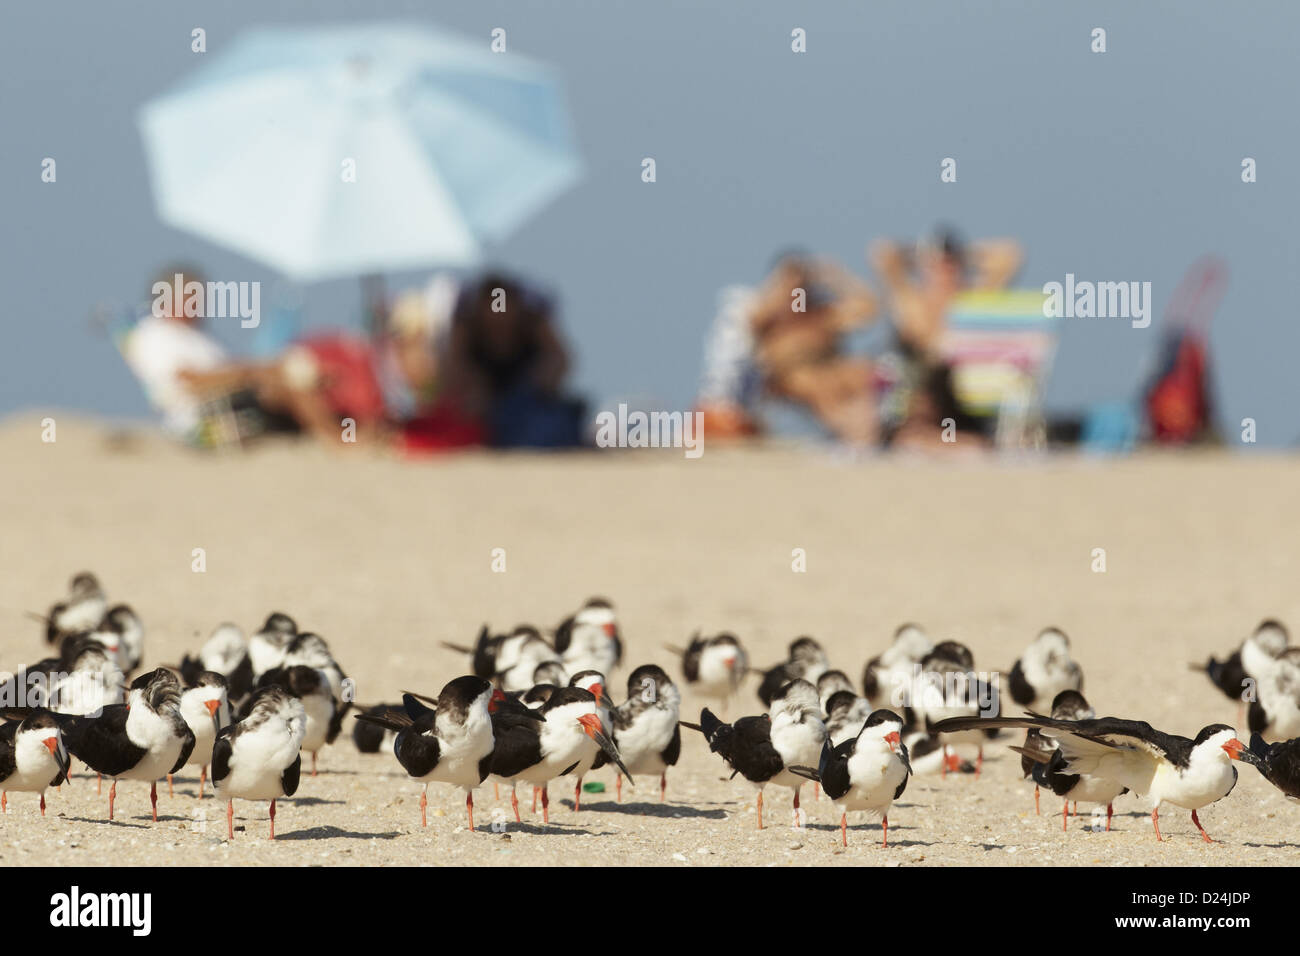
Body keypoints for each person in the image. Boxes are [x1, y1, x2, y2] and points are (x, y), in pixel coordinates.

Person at [123, 267, 382, 446]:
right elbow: (187, 380)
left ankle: (361, 427)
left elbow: (231, 369)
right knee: (290, 382)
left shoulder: (196, 337)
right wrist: (248, 374)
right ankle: (340, 441)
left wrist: (260, 370)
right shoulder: (155, 335)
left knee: (302, 370)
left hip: (232, 394)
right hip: (205, 412)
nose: (199, 303)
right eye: (191, 296)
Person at [696, 252, 880, 446]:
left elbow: (868, 309)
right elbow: (750, 321)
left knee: (868, 373)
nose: (797, 290)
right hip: (789, 378)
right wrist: (783, 284)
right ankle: (852, 434)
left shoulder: (820, 314)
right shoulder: (769, 314)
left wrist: (837, 276)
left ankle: (869, 432)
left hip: (830, 369)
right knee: (818, 386)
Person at [868, 227, 1022, 448]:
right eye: (935, 264)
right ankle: (958, 444)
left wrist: (963, 253)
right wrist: (921, 253)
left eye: (949, 263)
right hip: (919, 397)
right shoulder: (911, 303)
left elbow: (1010, 255)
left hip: (960, 399)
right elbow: (882, 253)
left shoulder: (973, 300)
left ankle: (959, 444)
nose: (942, 270)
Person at [439, 272, 584, 448]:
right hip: (482, 413)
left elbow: (561, 359)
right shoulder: (466, 325)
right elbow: (452, 368)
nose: (499, 316)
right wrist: (472, 388)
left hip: (529, 407)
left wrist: (537, 385)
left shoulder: (534, 321)